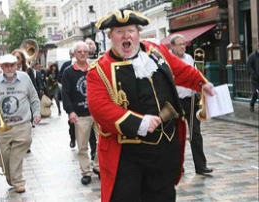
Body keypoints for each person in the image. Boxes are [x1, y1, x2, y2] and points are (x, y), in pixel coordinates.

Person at [86, 9, 214, 202]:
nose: (126, 36)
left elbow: (179, 70)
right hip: (127, 157)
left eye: (130, 30)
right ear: (110, 36)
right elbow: (100, 108)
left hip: (164, 149)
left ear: (138, 33)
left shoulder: (155, 52)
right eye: (120, 32)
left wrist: (202, 82)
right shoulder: (99, 70)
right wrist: (138, 122)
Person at [0, 54, 41, 193]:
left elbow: (34, 98)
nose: (10, 68)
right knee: (2, 158)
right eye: (6, 65)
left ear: (16, 65)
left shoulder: (24, 77)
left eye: (12, 65)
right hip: (3, 127)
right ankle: (10, 175)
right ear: (1, 67)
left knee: (16, 155)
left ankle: (18, 182)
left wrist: (36, 113)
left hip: (23, 124)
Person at [170, 34, 213, 175]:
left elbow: (195, 76)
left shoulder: (189, 58)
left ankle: (201, 167)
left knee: (196, 133)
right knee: (177, 135)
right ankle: (177, 167)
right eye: (179, 44)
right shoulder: (167, 60)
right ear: (172, 46)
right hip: (175, 102)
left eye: (184, 44)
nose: (183, 46)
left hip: (191, 100)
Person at [62, 41, 97, 185]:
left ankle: (98, 167)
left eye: (85, 51)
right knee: (82, 146)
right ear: (74, 54)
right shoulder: (69, 72)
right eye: (80, 51)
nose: (83, 54)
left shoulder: (95, 68)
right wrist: (70, 111)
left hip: (97, 112)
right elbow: (65, 93)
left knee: (102, 143)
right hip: (80, 114)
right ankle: (86, 172)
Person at [58, 49, 76, 148]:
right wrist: (67, 82)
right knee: (72, 122)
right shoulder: (66, 65)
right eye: (72, 54)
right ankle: (73, 138)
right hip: (71, 97)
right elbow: (59, 77)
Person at [246, 43, 259, 112]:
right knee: (256, 92)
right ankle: (252, 103)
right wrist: (253, 73)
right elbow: (248, 65)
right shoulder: (252, 56)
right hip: (255, 78)